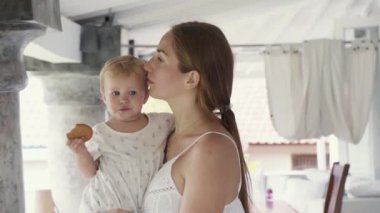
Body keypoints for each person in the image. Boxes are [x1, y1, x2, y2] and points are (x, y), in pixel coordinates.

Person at [109, 21, 251, 213]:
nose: (147, 66)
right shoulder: (166, 134)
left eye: (160, 58)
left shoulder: (212, 148)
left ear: (191, 79)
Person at [66, 55, 174, 213]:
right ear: (104, 97)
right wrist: (81, 152)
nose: (123, 100)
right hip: (104, 206)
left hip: (143, 206)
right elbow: (89, 173)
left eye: (132, 92)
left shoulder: (162, 123)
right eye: (115, 93)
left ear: (145, 96)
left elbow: (193, 122)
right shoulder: (101, 133)